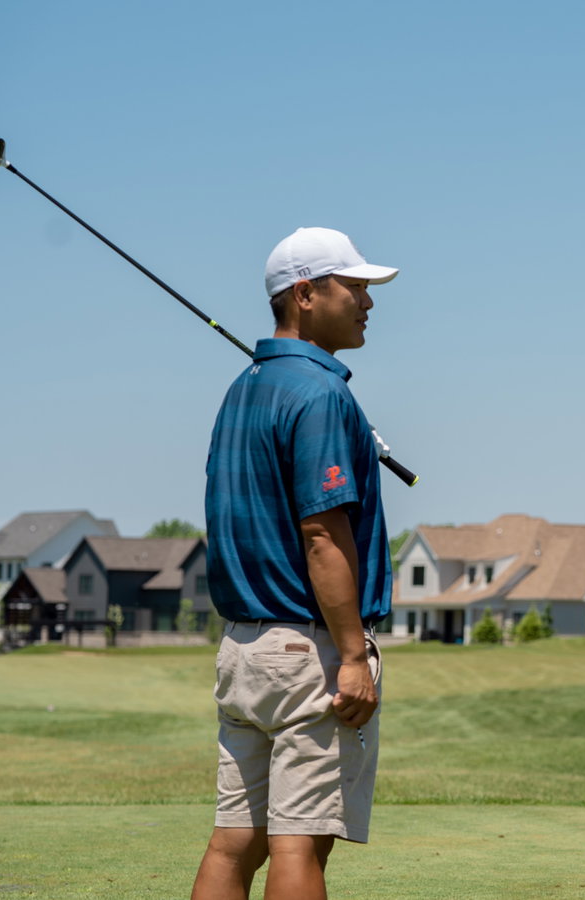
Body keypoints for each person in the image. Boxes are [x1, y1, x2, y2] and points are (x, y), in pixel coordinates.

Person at [192, 227, 398, 900]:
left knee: (234, 843)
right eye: (354, 287)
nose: (367, 302)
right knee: (299, 846)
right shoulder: (321, 395)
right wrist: (352, 656)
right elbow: (322, 536)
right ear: (305, 295)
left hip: (242, 650)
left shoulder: (241, 389)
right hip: (307, 651)